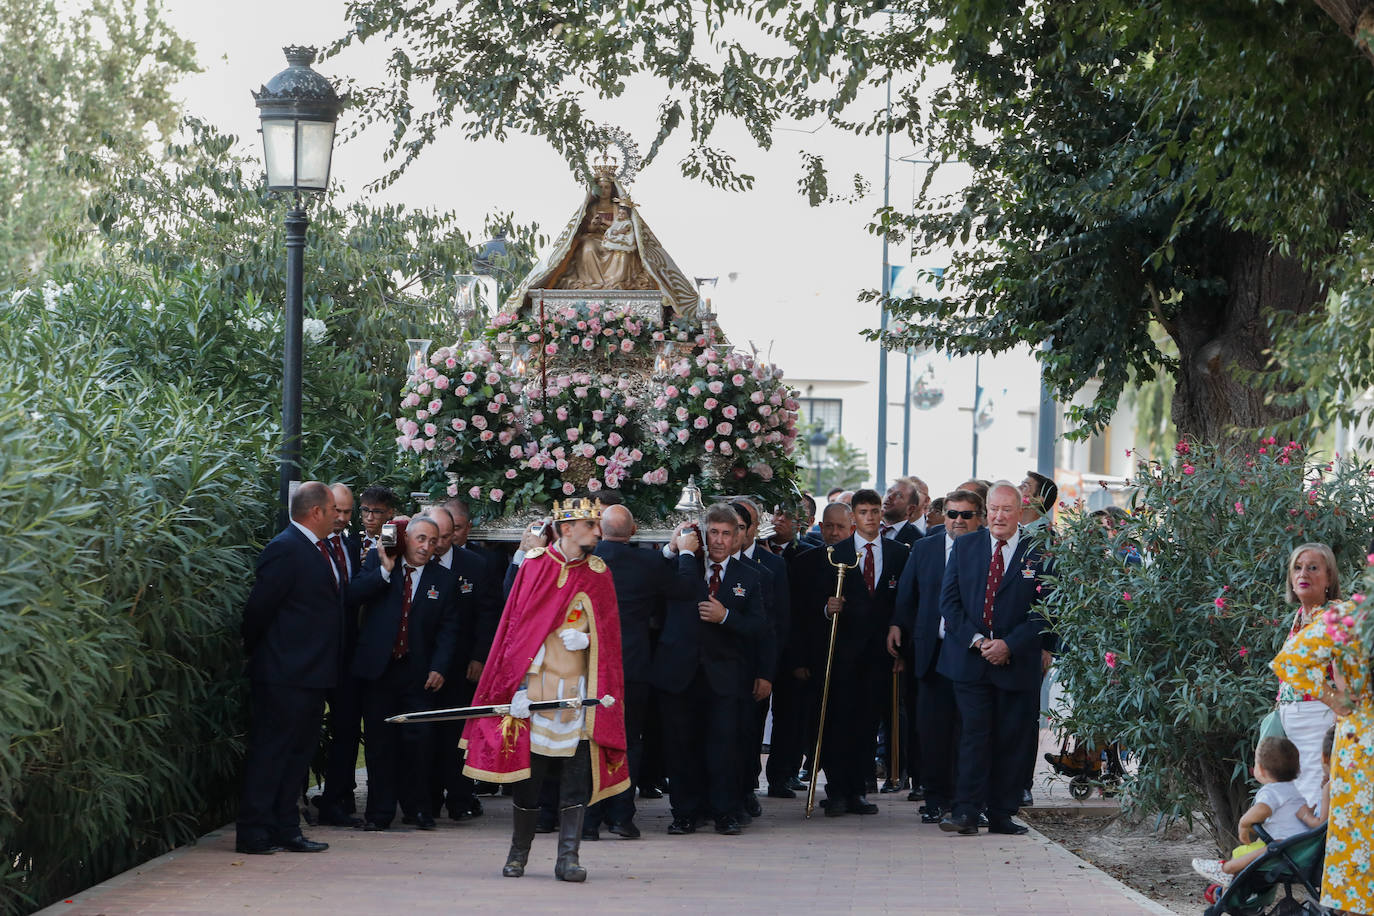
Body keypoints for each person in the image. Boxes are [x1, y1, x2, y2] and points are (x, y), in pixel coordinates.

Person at [461, 497, 630, 881]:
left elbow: (611, 638)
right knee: (528, 783)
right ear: (567, 528)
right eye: (591, 526)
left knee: (575, 783)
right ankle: (518, 854)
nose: (598, 533)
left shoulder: (599, 573)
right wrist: (517, 688)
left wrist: (588, 640)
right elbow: (515, 634)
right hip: (534, 696)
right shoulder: (535, 566)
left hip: (577, 699)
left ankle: (568, 858)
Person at [936, 482, 1050, 837]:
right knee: (974, 736)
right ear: (987, 512)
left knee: (1012, 739)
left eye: (1007, 510)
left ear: (1021, 513)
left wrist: (1009, 645)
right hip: (970, 660)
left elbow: (1047, 610)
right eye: (994, 509)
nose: (999, 516)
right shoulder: (965, 545)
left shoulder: (1040, 551)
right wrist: (978, 640)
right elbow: (949, 603)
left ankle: (1002, 813)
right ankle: (966, 811)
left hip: (1017, 663)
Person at [235, 481, 343, 855]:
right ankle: (254, 831)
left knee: (297, 755)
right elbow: (258, 610)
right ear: (315, 512)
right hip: (283, 674)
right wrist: (265, 654)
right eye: (332, 510)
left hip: (311, 675)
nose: (337, 518)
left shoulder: (315, 549)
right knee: (271, 753)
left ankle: (285, 827)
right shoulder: (285, 548)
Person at [796, 489, 909, 816]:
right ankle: (837, 790)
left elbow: (903, 602)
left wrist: (902, 647)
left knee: (867, 723)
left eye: (875, 511)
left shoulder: (899, 553)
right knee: (836, 723)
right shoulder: (833, 554)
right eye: (863, 512)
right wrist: (826, 608)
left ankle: (859, 790)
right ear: (853, 517)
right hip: (840, 654)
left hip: (880, 654)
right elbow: (811, 603)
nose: (870, 517)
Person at [654, 504, 765, 836]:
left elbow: (758, 626)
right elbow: (653, 583)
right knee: (681, 746)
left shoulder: (750, 577)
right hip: (680, 673)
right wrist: (671, 548)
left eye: (726, 533)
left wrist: (726, 617)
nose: (718, 540)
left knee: (724, 749)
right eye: (713, 532)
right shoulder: (680, 567)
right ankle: (685, 813)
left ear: (737, 538)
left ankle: (725, 813)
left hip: (724, 677)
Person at [583, 504, 690, 839]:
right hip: (632, 665)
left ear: (600, 530)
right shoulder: (647, 562)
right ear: (632, 533)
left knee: (590, 740)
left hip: (589, 664)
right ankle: (621, 817)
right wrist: (683, 554)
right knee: (629, 741)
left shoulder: (584, 560)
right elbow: (684, 590)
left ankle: (587, 821)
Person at [348, 515, 460, 831]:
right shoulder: (380, 562)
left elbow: (449, 629)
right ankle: (379, 813)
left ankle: (418, 809)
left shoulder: (445, 580)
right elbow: (354, 595)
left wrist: (440, 666)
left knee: (420, 742)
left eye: (433, 540)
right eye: (421, 539)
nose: (427, 546)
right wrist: (383, 570)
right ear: (407, 538)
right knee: (379, 743)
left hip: (419, 673)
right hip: (379, 672)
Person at [888, 488, 985, 822]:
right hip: (931, 651)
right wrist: (898, 625)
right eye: (951, 513)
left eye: (966, 515)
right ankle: (934, 798)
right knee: (931, 729)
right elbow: (907, 594)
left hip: (973, 653)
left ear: (980, 518)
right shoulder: (924, 548)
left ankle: (967, 800)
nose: (957, 521)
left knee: (968, 731)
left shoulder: (988, 549)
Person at [1272, 598, 1373, 916]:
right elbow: (1290, 661)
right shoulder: (1348, 614)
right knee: (1360, 852)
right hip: (1362, 746)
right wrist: (1333, 697)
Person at [731, 498, 790, 821]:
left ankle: (745, 791)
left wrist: (768, 671)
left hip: (754, 666)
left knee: (750, 733)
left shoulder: (772, 567)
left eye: (743, 526)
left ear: (754, 528)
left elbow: (778, 624)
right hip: (718, 666)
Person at [314, 482, 366, 826]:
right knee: (304, 729)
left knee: (347, 728)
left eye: (349, 513)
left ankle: (337, 798)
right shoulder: (308, 546)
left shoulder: (350, 544)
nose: (343, 519)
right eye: (338, 511)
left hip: (347, 656)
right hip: (313, 656)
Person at [1190, 736, 1309, 887]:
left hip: (1283, 851)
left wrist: (1244, 824)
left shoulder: (1272, 791)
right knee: (1258, 849)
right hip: (1302, 850)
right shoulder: (1296, 790)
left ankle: (1225, 873)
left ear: (1262, 770)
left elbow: (1261, 810)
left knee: (1240, 853)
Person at [1276, 543, 1341, 807]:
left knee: (1316, 798)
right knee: (1299, 800)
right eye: (1298, 568)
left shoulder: (1333, 614)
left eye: (1313, 568)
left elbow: (1345, 671)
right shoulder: (1300, 616)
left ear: (1328, 579)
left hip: (1319, 719)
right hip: (1294, 722)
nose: (1304, 574)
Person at [356, 485, 398, 566]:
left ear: (390, 512)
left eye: (377, 512)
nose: (369, 518)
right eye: (365, 510)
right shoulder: (351, 541)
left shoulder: (394, 544)